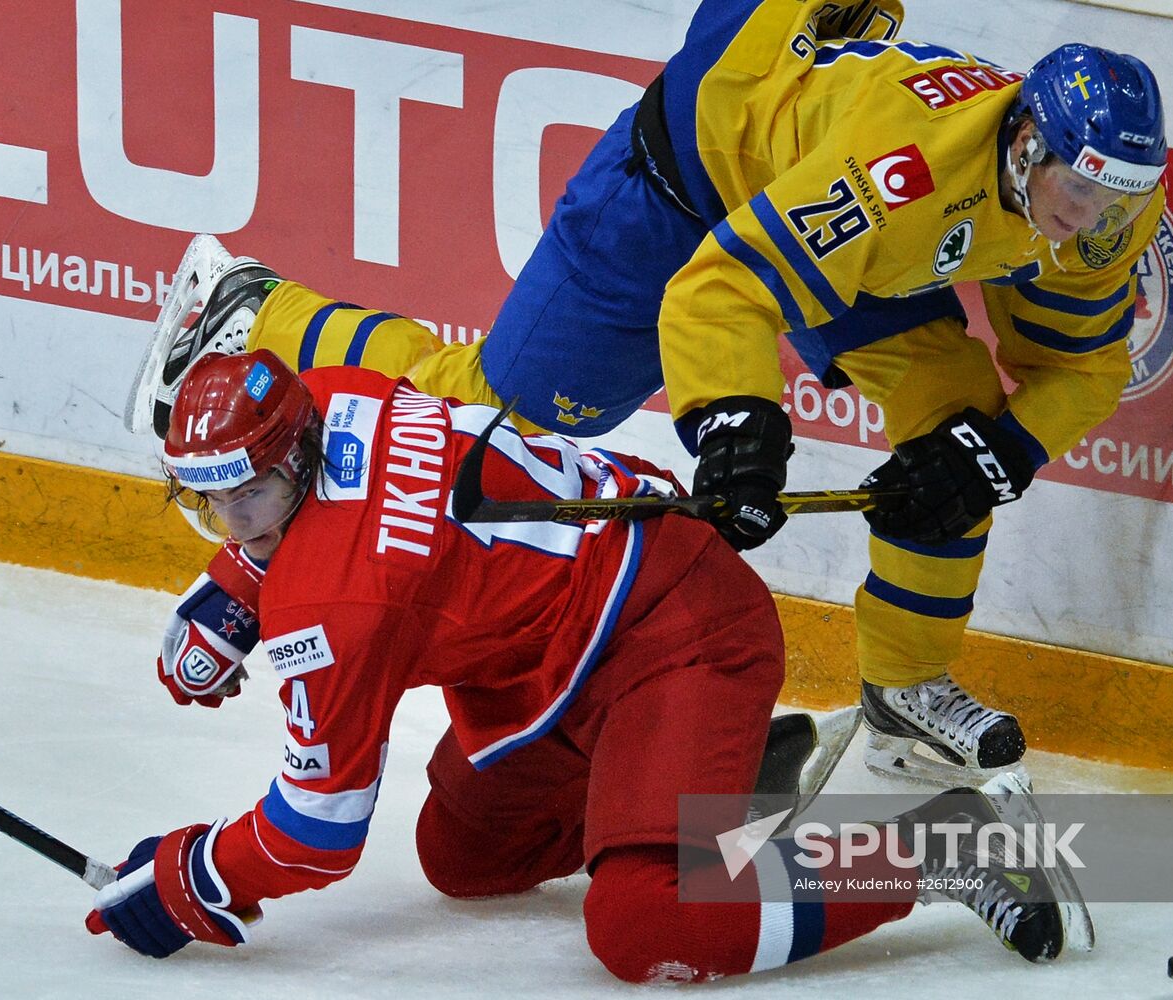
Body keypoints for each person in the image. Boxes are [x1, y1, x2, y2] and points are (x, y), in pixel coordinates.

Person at [126, 0, 1169, 786]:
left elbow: (1082, 365)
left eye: (1111, 201)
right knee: (499, 415)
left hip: (823, 219)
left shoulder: (1102, 213)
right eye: (1075, 191)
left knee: (957, 430)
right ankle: (253, 308)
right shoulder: (901, 171)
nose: (1087, 221)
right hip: (687, 183)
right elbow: (726, 289)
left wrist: (1002, 452)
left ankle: (905, 694)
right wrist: (738, 439)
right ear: (1025, 141)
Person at [93, 349, 1090, 979]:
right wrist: (235, 588)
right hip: (556, 662)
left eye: (251, 499)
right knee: (464, 853)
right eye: (209, 503)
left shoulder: (338, 608)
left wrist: (195, 874)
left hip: (676, 629)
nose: (233, 522)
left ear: (298, 455)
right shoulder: (334, 396)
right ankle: (714, 786)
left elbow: (316, 832)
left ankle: (952, 844)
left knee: (643, 923)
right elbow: (331, 520)